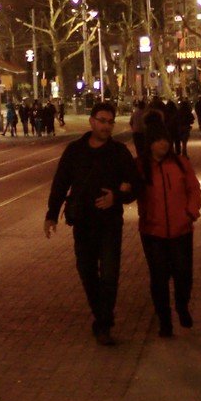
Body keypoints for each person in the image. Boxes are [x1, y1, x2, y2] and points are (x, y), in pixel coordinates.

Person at [43, 101, 140, 345]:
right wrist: (51, 214)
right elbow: (61, 182)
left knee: (109, 274)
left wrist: (116, 196)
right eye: (102, 120)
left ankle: (104, 324)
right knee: (86, 272)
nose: (106, 126)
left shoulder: (119, 152)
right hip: (83, 222)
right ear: (92, 121)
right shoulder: (75, 151)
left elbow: (136, 184)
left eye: (110, 122)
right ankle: (101, 315)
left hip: (109, 224)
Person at [136, 119, 201, 337]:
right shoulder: (141, 167)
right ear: (150, 143)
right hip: (153, 232)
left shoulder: (181, 163)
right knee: (159, 278)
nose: (163, 145)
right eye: (158, 141)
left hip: (181, 230)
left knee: (184, 275)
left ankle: (182, 306)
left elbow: (194, 189)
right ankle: (165, 321)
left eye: (165, 140)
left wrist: (190, 213)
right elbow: (130, 191)